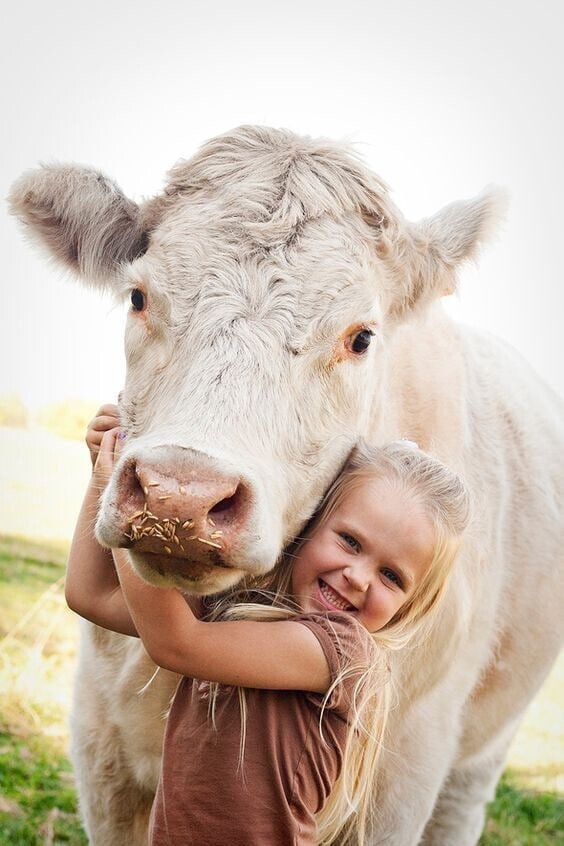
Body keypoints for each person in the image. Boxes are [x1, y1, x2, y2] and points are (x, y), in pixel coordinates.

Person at [65, 405, 470, 846]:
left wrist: (136, 505)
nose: (358, 577)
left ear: (412, 604)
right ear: (311, 525)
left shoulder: (342, 652)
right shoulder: (244, 610)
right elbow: (90, 596)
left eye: (391, 577)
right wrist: (106, 481)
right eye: (350, 542)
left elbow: (175, 644)